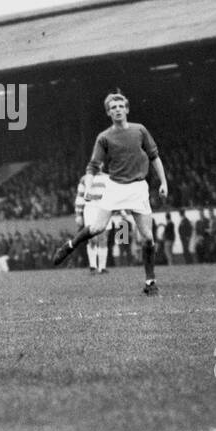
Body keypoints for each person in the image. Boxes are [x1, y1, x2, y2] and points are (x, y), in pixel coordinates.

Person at [51, 91, 169, 295]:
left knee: (148, 237)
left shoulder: (139, 130)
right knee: (97, 228)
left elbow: (154, 157)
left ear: (127, 109)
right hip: (115, 187)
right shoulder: (104, 137)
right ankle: (69, 246)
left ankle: (150, 282)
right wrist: (88, 188)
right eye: (113, 107)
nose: (117, 110)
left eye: (120, 106)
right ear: (108, 112)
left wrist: (163, 182)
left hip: (138, 188)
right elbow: (92, 166)